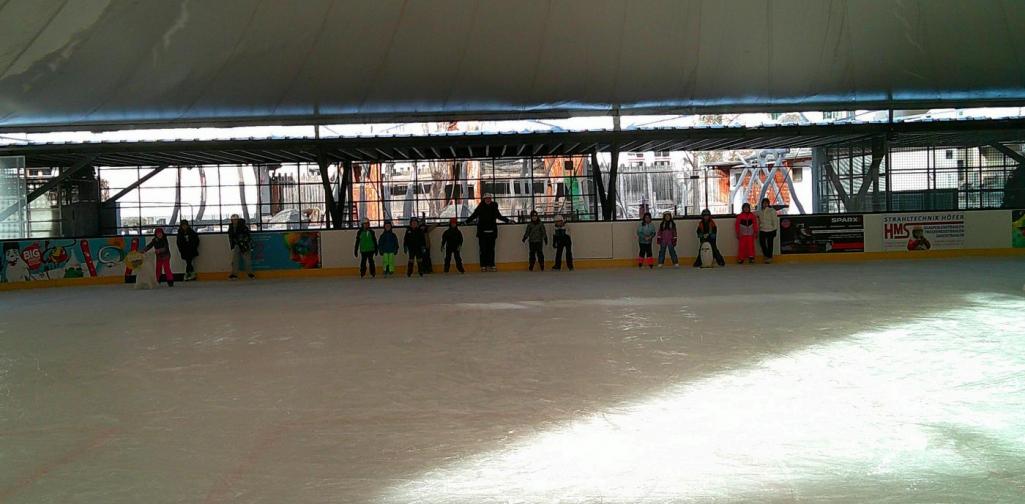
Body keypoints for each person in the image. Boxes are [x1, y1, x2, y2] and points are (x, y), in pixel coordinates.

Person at [466, 194, 510, 272]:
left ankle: (491, 265)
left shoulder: (494, 207)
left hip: (492, 233)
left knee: (491, 250)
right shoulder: (480, 207)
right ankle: (483, 265)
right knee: (483, 250)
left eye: (489, 198)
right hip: (482, 233)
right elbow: (474, 215)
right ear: (484, 199)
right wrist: (466, 222)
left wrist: (508, 220)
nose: (488, 200)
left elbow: (499, 216)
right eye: (486, 199)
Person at [228, 214, 255, 280]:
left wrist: (244, 241)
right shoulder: (231, 227)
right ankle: (234, 274)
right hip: (237, 245)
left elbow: (248, 236)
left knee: (247, 260)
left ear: (238, 220)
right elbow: (231, 236)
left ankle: (250, 274)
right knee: (235, 260)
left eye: (236, 220)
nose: (234, 221)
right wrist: (233, 243)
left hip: (244, 245)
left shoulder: (243, 226)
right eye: (233, 220)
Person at [757, 198, 779, 263]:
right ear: (762, 204)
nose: (765, 204)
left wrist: (775, 229)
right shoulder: (760, 211)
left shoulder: (772, 211)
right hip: (762, 230)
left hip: (771, 230)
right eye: (764, 203)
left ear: (768, 203)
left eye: (766, 203)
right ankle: (766, 255)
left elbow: (775, 221)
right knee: (762, 243)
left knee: (770, 244)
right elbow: (754, 213)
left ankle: (769, 257)